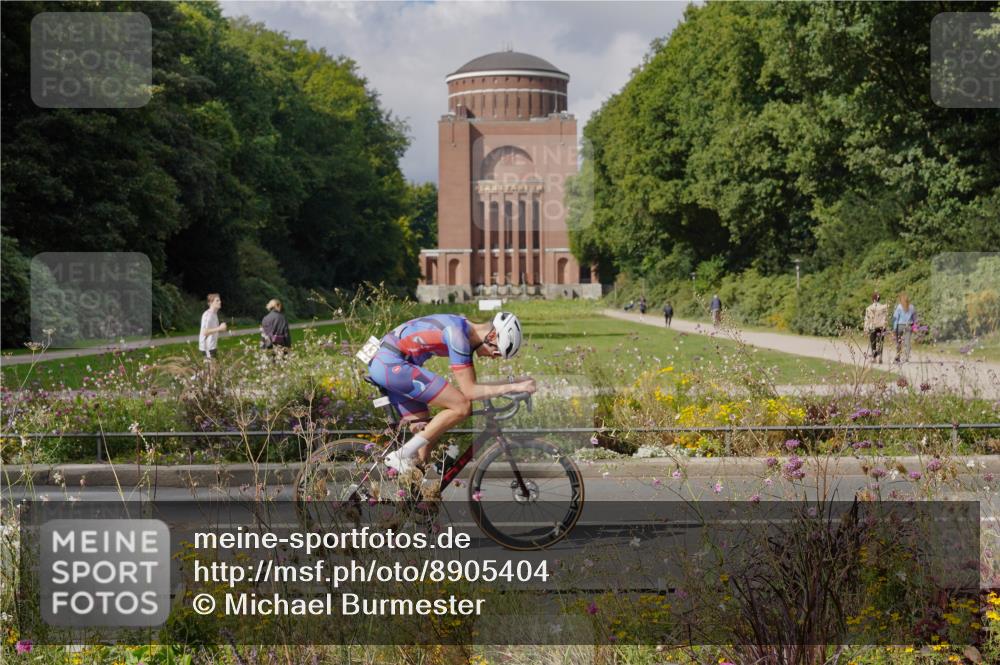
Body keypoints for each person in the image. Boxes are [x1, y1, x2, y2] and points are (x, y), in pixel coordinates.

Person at [367, 311, 535, 473]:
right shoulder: (458, 336)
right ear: (491, 336)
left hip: (388, 362)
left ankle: (416, 498)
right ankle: (399, 455)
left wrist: (514, 381)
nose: (494, 357)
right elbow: (470, 392)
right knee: (461, 406)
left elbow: (474, 386)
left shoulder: (463, 329)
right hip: (391, 364)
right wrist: (514, 387)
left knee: (424, 437)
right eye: (497, 352)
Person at [199, 293, 227, 360]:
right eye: (217, 300)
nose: (220, 302)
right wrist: (220, 328)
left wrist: (221, 329)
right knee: (210, 369)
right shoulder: (207, 315)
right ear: (211, 303)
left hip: (212, 347)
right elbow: (205, 332)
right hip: (207, 348)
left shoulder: (214, 314)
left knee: (214, 368)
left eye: (219, 300)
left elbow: (213, 330)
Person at [863, 292, 888, 363]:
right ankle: (880, 357)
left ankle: (874, 358)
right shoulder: (884, 307)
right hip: (881, 326)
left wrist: (865, 328)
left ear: (873, 299)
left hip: (872, 326)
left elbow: (867, 319)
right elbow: (886, 317)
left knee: (873, 342)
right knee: (880, 342)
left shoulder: (869, 308)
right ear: (879, 299)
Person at [892, 293, 917, 363]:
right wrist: (915, 327)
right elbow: (914, 318)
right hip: (909, 325)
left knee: (898, 342)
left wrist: (894, 328)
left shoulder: (899, 307)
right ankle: (906, 357)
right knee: (907, 342)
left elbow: (896, 318)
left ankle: (898, 356)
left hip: (900, 325)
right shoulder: (912, 307)